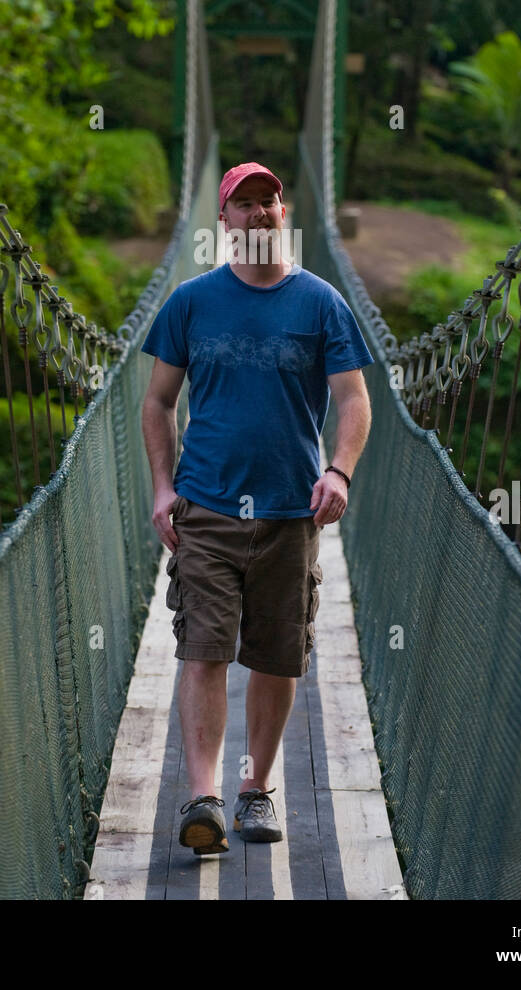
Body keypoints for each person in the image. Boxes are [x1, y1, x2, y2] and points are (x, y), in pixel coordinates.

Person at [140, 161, 373, 854]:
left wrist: (339, 471)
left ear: (283, 211)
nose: (257, 212)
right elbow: (157, 402)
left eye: (267, 199)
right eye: (242, 203)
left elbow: (354, 399)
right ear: (224, 221)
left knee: (276, 656)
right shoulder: (190, 302)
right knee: (203, 649)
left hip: (290, 512)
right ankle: (203, 799)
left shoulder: (322, 303)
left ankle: (255, 791)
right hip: (206, 508)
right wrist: (162, 488)